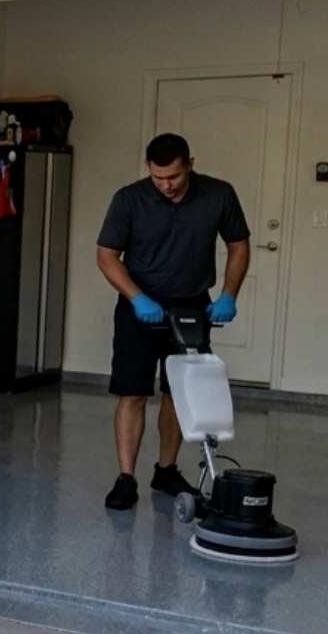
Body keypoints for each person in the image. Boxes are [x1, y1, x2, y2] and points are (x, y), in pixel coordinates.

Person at [95, 132, 250, 510]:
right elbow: (107, 255)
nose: (165, 185)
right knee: (132, 391)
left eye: (174, 177)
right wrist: (137, 297)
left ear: (190, 165)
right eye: (158, 177)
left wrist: (229, 294)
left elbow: (238, 245)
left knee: (180, 391)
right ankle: (126, 478)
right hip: (140, 306)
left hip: (191, 306)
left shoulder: (218, 194)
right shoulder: (129, 199)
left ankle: (166, 470)